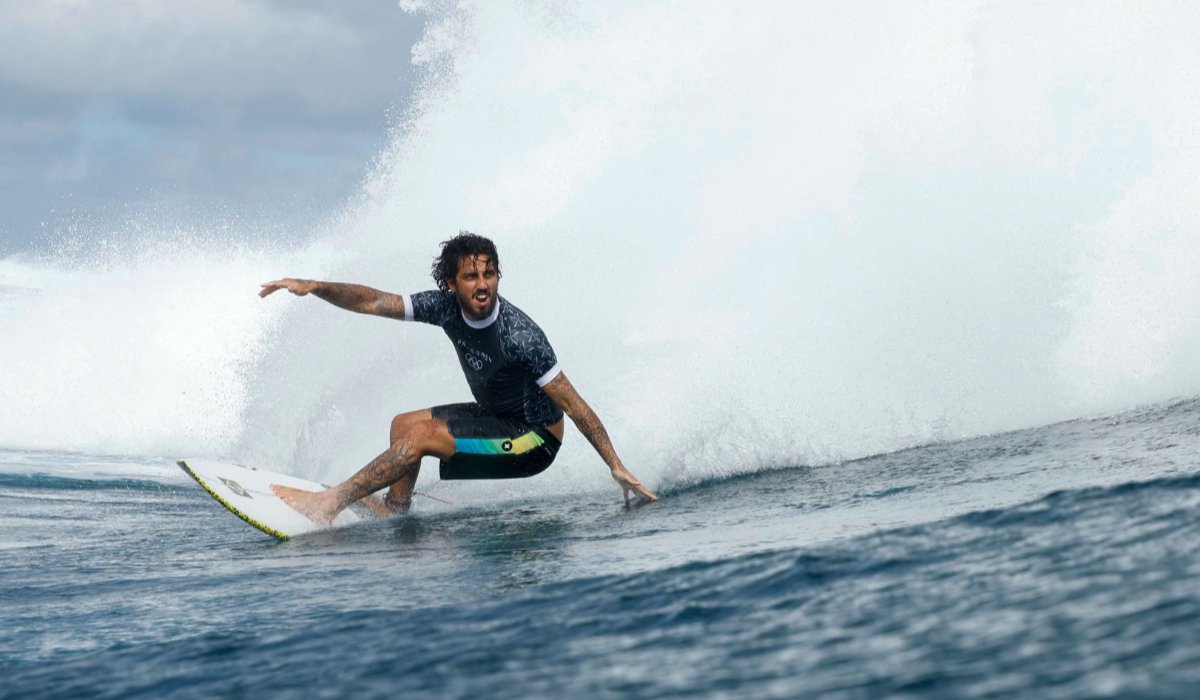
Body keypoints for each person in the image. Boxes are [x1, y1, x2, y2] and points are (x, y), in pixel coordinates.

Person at [259, 232, 657, 524]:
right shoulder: (445, 307)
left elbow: (573, 404)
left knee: (421, 438)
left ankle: (329, 504)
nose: (483, 285)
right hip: (496, 416)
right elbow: (372, 301)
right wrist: (315, 287)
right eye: (471, 277)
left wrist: (615, 464)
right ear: (452, 284)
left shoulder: (521, 336)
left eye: (490, 275)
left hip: (534, 440)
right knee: (404, 425)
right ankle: (396, 511)